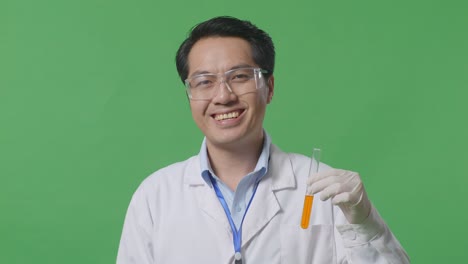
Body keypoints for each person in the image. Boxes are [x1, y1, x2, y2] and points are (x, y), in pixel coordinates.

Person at [117, 16, 410, 264]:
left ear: (268, 88)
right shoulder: (155, 196)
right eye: (204, 82)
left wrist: (364, 222)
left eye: (240, 76)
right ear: (190, 95)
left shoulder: (325, 190)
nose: (223, 96)